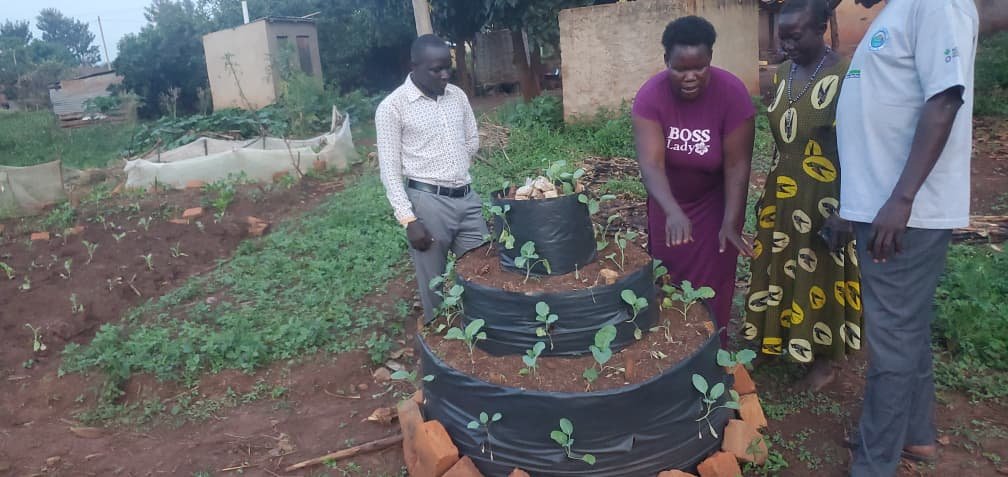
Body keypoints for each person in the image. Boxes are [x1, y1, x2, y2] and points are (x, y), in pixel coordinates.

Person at [837, 0, 978, 473]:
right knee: (905, 330)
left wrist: (902, 199)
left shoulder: (935, 4)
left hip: (902, 215)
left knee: (893, 340)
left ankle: (873, 465)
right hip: (881, 206)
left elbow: (945, 99)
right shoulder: (899, 9)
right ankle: (917, 436)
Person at [742, 0, 861, 392]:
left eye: (795, 37)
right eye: (782, 38)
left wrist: (851, 209)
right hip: (783, 187)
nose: (787, 45)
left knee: (821, 271)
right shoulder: (778, 76)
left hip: (825, 194)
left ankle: (825, 361)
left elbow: (859, 146)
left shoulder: (848, 75)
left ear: (820, 29)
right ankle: (771, 341)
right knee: (776, 265)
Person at [632, 16, 756, 345]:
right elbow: (651, 164)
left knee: (714, 284)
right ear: (665, 63)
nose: (690, 77)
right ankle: (673, 353)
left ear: (710, 59)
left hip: (716, 205)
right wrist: (672, 210)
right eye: (679, 69)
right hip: (667, 202)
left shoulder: (732, 95)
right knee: (667, 279)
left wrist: (732, 222)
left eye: (699, 67)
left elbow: (737, 165)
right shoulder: (650, 97)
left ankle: (711, 353)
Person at [375, 34, 488, 324]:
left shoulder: (457, 96)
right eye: (435, 69)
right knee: (434, 285)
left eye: (447, 67)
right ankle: (441, 340)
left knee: (482, 272)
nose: (444, 74)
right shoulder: (393, 107)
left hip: (467, 199)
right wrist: (409, 220)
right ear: (414, 66)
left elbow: (471, 138)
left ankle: (479, 334)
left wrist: (454, 164)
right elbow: (389, 170)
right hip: (427, 205)